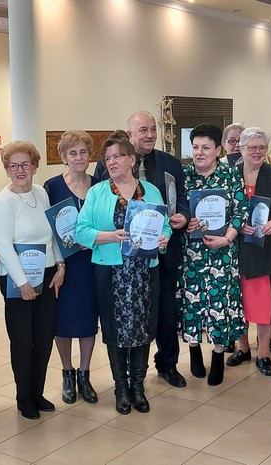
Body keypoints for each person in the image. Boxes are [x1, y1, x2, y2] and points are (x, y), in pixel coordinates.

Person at [76, 130, 171, 414]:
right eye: (107, 158)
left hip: (145, 271)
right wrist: (110, 236)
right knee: (115, 329)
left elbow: (164, 225)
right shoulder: (97, 192)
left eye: (118, 156)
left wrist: (164, 238)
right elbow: (81, 231)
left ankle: (137, 386)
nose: (112, 162)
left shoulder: (150, 190)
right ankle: (120, 387)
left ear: (131, 159)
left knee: (143, 327)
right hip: (112, 271)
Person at [95, 111, 189, 389]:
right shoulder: (109, 164)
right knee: (128, 318)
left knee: (165, 313)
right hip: (121, 260)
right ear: (130, 135)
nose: (150, 135)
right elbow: (100, 203)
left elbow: (181, 199)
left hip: (161, 254)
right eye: (143, 130)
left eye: (153, 129)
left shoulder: (171, 163)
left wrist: (183, 216)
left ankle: (167, 364)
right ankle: (126, 378)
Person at [0, 141, 64, 420]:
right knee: (23, 341)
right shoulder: (4, 201)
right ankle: (24, 398)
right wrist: (22, 283)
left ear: (35, 166)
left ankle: (37, 392)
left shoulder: (41, 193)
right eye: (13, 165)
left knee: (44, 338)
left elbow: (52, 234)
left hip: (46, 275)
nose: (20, 170)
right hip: (16, 280)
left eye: (25, 164)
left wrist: (60, 264)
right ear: (7, 169)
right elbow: (4, 246)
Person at [177, 124, 248, 386]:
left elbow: (241, 210)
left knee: (220, 305)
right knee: (192, 304)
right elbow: (175, 211)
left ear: (218, 150)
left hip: (222, 252)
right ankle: (194, 350)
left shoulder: (231, 175)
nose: (199, 152)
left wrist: (227, 237)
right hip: (190, 254)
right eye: (195, 147)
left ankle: (218, 355)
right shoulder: (183, 176)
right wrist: (185, 221)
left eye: (206, 148)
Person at [44, 130, 99, 404]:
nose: (78, 157)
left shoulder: (100, 185)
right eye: (72, 153)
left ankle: (84, 373)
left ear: (90, 155)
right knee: (62, 320)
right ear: (64, 157)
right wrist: (58, 262)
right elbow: (47, 230)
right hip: (63, 264)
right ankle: (67, 373)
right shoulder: (52, 186)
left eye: (83, 152)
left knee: (89, 319)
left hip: (93, 263)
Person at [231, 128, 271, 376]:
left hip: (267, 251)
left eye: (262, 147)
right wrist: (234, 225)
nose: (257, 152)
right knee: (238, 301)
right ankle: (242, 347)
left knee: (265, 304)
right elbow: (223, 211)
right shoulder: (230, 175)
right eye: (252, 147)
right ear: (241, 149)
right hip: (236, 250)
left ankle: (264, 352)